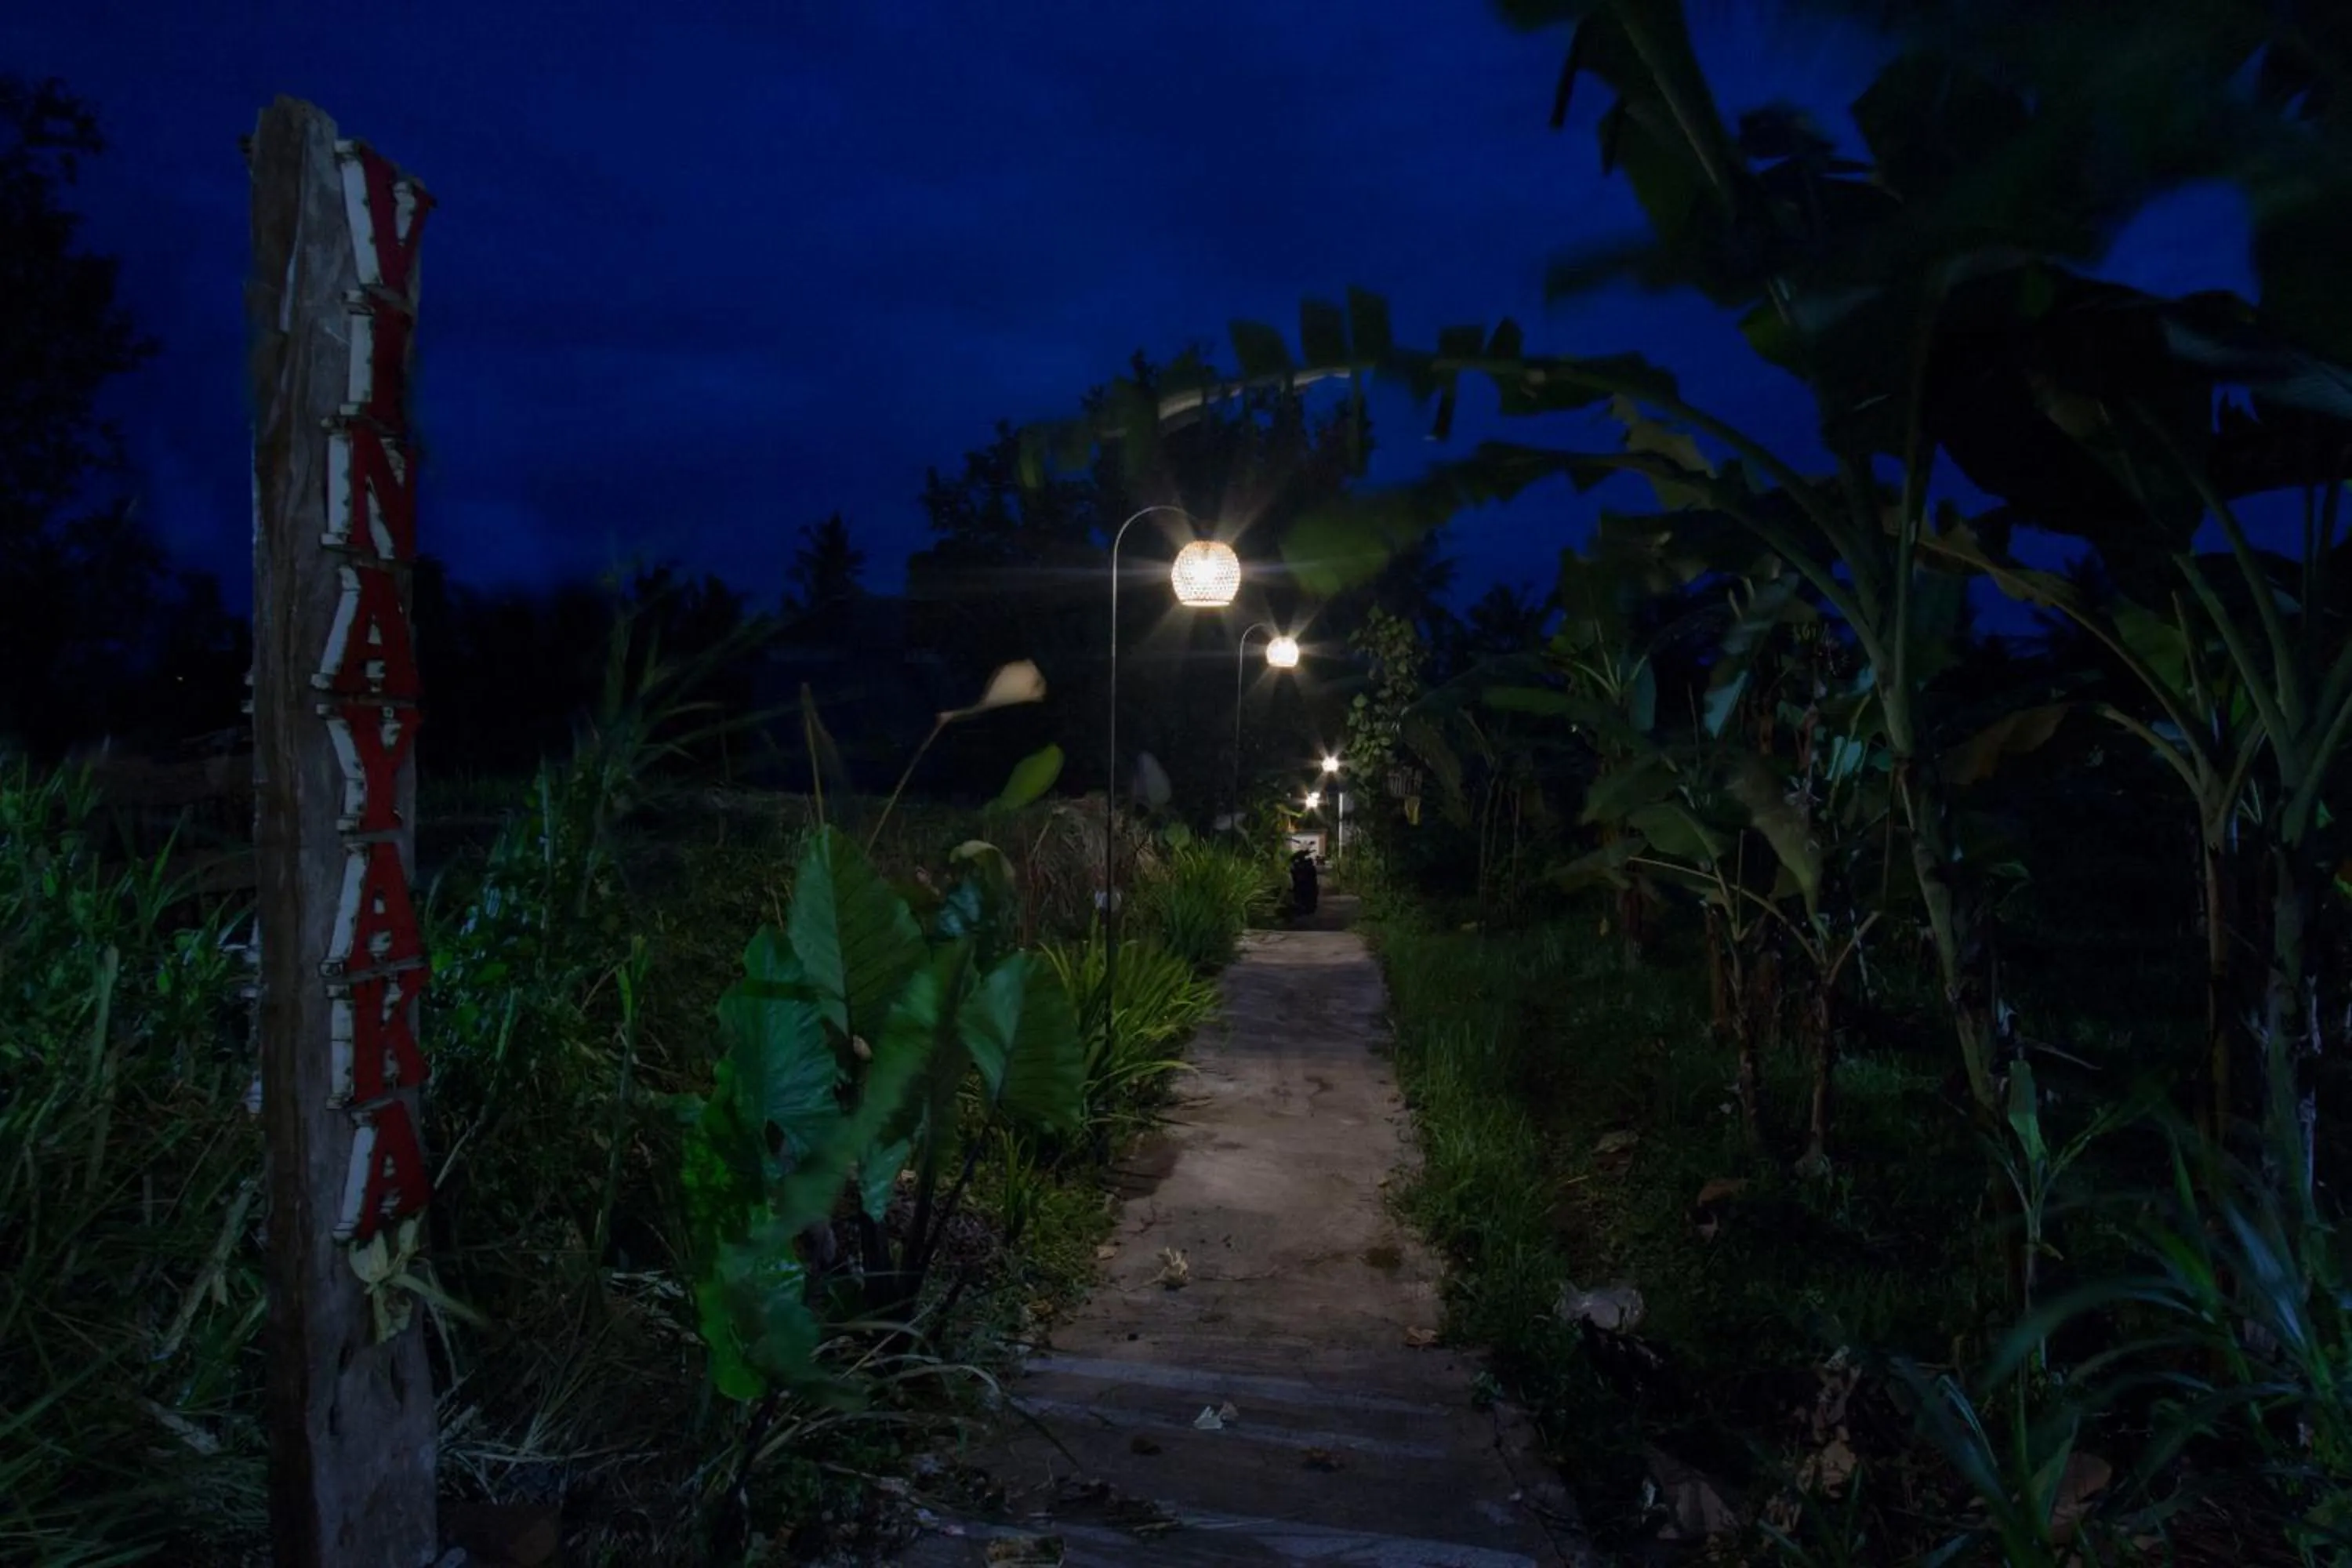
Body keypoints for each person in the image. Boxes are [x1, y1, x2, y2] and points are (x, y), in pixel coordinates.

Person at [1289, 847, 1319, 917]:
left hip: (1305, 886)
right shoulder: (1303, 866)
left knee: (1305, 898)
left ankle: (1304, 909)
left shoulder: (1304, 866)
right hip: (1304, 887)